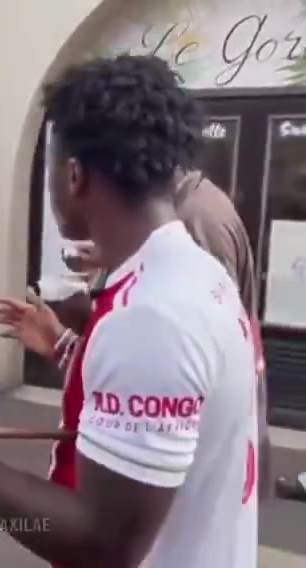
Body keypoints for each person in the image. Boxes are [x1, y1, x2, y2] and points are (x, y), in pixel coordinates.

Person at [0, 55, 258, 567]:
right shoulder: (198, 275)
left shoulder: (150, 317)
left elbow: (99, 544)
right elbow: (174, 406)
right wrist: (66, 347)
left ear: (73, 175)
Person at [46, 169, 270, 499]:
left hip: (192, 482)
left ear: (76, 174)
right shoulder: (193, 214)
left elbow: (178, 361)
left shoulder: (196, 222)